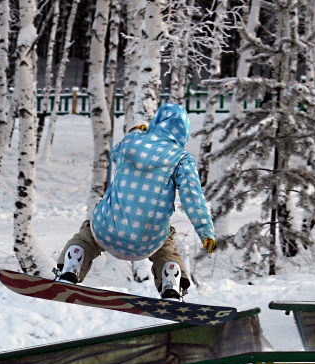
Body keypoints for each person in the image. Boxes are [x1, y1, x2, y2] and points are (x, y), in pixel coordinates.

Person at [55, 102, 216, 300]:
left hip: (107, 230)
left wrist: (134, 133)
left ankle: (71, 268)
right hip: (149, 240)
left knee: (88, 235)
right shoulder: (182, 159)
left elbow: (114, 154)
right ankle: (171, 285)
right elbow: (193, 198)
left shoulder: (131, 143)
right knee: (166, 247)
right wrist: (206, 233)